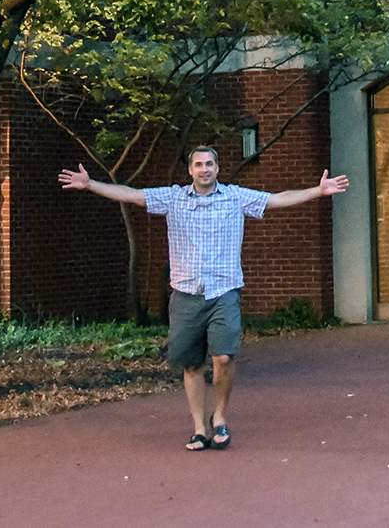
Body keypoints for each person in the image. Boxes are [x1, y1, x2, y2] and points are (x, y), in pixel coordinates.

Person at [59, 146, 348, 451]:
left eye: (209, 164)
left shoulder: (235, 196)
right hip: (186, 295)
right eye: (198, 164)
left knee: (223, 358)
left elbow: (276, 199)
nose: (204, 169)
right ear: (190, 170)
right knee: (192, 364)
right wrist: (91, 184)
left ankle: (220, 418)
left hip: (224, 292)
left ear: (217, 168)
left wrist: (317, 191)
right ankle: (199, 428)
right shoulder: (173, 198)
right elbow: (132, 194)